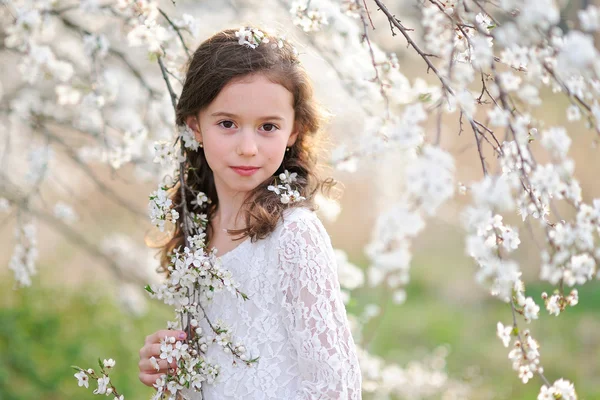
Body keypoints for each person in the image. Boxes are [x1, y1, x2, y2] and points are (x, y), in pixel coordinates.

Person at [137, 27, 362, 399]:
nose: (247, 148)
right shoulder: (197, 231)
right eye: (227, 123)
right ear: (195, 126)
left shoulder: (293, 236)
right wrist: (170, 366)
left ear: (294, 131)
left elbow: (336, 387)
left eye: (268, 127)